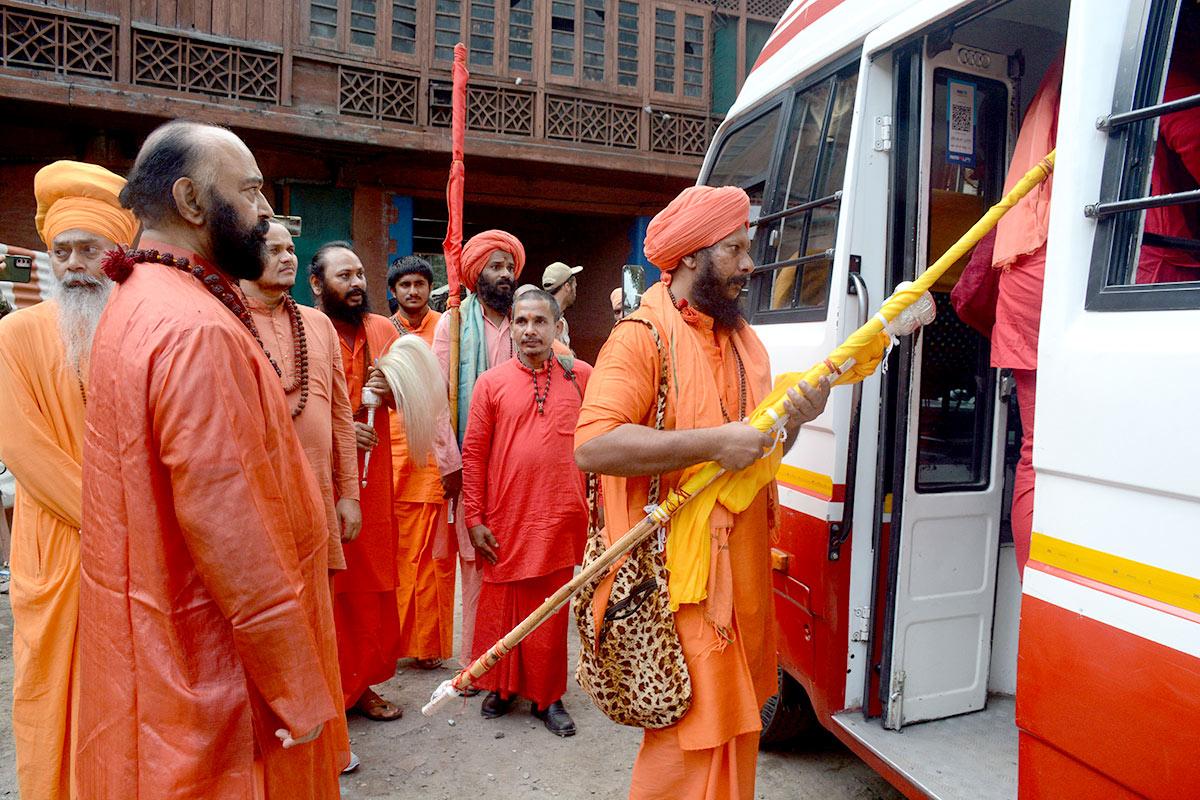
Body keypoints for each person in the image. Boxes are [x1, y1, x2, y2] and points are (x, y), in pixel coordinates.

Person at [78, 121, 347, 797]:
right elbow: (233, 530)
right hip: (217, 680)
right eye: (252, 192)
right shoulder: (195, 329)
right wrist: (295, 687)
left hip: (166, 650)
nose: (265, 214)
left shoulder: (140, 299)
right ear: (193, 202)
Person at [574, 185, 830, 799]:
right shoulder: (641, 336)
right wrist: (716, 443)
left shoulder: (746, 343)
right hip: (675, 583)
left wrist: (790, 423)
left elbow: (756, 458)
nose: (750, 265)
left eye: (748, 249)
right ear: (691, 257)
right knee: (690, 735)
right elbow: (593, 444)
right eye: (736, 250)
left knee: (737, 732)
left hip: (741, 581)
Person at [0, 160, 137, 800]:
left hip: (137, 547)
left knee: (127, 693)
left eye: (90, 248)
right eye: (62, 251)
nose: (75, 263)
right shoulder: (15, 334)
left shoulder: (139, 331)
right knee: (50, 689)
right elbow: (24, 447)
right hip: (56, 546)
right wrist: (111, 519)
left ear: (118, 257)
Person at [461, 289, 590, 736]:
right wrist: (474, 517)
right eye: (521, 321)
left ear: (557, 327)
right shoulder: (490, 383)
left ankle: (547, 697)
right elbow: (473, 454)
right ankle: (501, 685)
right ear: (511, 327)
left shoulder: (582, 377)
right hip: (504, 517)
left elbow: (602, 444)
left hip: (561, 516)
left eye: (539, 321)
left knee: (551, 612)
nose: (530, 330)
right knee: (502, 608)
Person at [310, 241, 406, 721]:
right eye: (344, 276)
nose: (356, 285)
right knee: (326, 582)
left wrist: (394, 388)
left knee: (368, 584)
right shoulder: (304, 330)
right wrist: (343, 427)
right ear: (317, 285)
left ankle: (362, 685)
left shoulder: (383, 329)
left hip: (373, 480)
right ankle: (327, 687)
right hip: (318, 476)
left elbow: (413, 397)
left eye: (361, 275)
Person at [241, 222, 362, 581]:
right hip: (256, 500)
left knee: (316, 614)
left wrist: (350, 494)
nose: (287, 258)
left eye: (290, 250)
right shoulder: (226, 320)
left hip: (318, 496)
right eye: (274, 250)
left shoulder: (318, 324)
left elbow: (340, 414)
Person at [432, 229, 525, 670]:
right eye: (496, 267)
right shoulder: (452, 325)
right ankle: (478, 666)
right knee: (477, 568)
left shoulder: (528, 319)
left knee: (521, 566)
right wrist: (451, 463)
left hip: (522, 467)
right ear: (475, 274)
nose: (505, 275)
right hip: (473, 466)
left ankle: (519, 670)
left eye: (510, 267)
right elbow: (436, 400)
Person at [386, 255, 459, 669]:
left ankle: (428, 645)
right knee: (397, 556)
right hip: (394, 454)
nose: (412, 292)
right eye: (405, 285)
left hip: (435, 458)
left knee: (434, 559)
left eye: (419, 284)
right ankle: (395, 641)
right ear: (393, 291)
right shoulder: (382, 330)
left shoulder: (447, 328)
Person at [541, 261, 582, 347]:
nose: (575, 291)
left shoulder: (562, 322)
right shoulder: (541, 321)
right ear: (567, 287)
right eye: (574, 285)